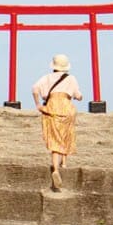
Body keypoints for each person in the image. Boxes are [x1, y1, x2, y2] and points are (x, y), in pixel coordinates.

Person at [33, 54, 83, 191]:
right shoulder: (71, 78)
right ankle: (64, 163)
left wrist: (38, 104)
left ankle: (55, 168)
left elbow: (35, 89)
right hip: (66, 107)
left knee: (55, 139)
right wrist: (79, 96)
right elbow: (78, 95)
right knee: (66, 134)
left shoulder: (47, 78)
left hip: (52, 106)